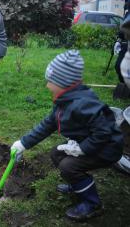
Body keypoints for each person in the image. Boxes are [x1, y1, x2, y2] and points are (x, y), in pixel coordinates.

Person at [11, 50, 123, 221]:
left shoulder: (83, 104)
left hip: (106, 148)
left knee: (68, 166)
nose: (47, 85)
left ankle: (92, 204)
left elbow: (104, 132)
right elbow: (48, 124)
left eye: (51, 81)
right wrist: (23, 143)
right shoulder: (64, 100)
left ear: (64, 83)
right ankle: (78, 184)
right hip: (89, 143)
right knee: (56, 153)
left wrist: (82, 149)